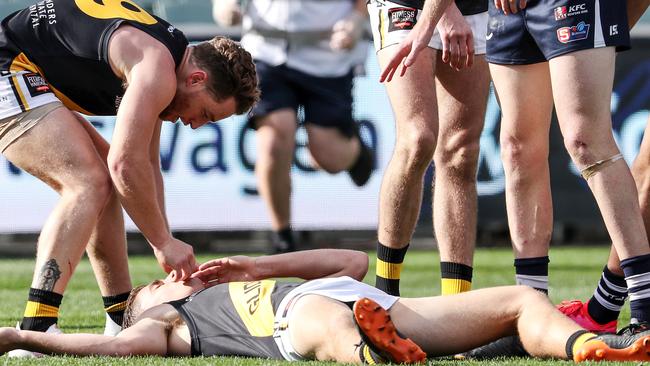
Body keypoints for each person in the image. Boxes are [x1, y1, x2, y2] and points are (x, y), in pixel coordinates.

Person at [0, 0, 259, 350]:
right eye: (207, 115)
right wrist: (162, 243)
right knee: (88, 182)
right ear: (197, 79)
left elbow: (145, 167)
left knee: (101, 181)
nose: (195, 124)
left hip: (24, 65)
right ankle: (35, 325)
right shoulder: (157, 70)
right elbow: (125, 164)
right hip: (9, 64)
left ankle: (121, 316)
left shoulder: (168, 58)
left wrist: (163, 237)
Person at [1, 249, 650, 363]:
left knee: (518, 298)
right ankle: (373, 352)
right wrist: (19, 336)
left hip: (376, 305)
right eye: (157, 283)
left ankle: (591, 346)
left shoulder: (217, 286)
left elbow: (350, 263)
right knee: (328, 324)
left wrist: (258, 266)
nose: (171, 277)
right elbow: (110, 346)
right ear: (151, 305)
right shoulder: (171, 323)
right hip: (299, 320)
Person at [213, 0, 374, 253]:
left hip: (327, 55)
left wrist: (356, 19)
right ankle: (282, 236)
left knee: (330, 157)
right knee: (274, 138)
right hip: (265, 54)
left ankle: (356, 152)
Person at [365, 0, 490, 296]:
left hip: (476, 9)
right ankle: (384, 293)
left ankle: (457, 301)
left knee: (461, 152)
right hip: (406, 5)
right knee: (417, 139)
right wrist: (443, 13)